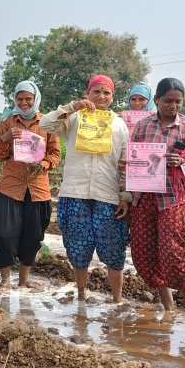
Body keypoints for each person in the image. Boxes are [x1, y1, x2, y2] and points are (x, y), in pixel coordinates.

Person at [40, 75, 130, 302]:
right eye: (96, 92)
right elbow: (45, 124)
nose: (101, 96)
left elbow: (125, 163)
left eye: (106, 93)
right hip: (75, 193)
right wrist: (73, 107)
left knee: (113, 250)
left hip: (107, 196)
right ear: (87, 94)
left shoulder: (119, 125)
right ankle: (81, 296)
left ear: (112, 97)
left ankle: (117, 300)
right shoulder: (74, 119)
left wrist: (125, 196)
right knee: (78, 249)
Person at [129, 77, 185, 324]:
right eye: (168, 101)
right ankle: (168, 306)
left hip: (175, 198)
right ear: (157, 100)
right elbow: (133, 160)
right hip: (145, 197)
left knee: (175, 256)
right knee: (144, 255)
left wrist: (183, 162)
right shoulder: (142, 127)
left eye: (178, 101)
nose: (173, 106)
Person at [0, 81, 61, 289]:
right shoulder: (7, 122)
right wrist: (4, 138)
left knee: (32, 237)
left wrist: (44, 163)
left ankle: (23, 281)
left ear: (35, 99)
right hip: (11, 187)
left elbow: (55, 153)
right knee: (3, 234)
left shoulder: (48, 123)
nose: (24, 103)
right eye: (20, 99)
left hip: (38, 189)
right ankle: (5, 280)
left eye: (28, 99)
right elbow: (0, 156)